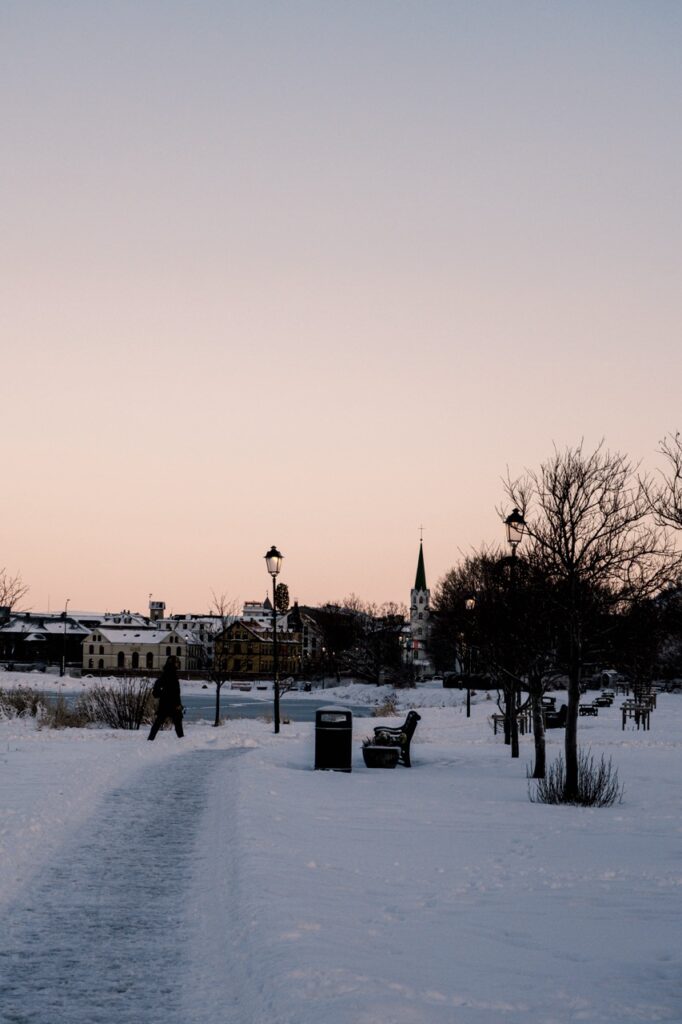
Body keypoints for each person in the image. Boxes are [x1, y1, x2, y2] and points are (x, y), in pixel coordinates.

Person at [148, 655, 184, 740]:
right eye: (176, 662)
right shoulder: (170, 675)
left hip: (165, 704)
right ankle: (182, 740)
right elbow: (175, 693)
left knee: (158, 723)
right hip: (172, 705)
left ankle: (150, 739)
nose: (178, 664)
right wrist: (178, 704)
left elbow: (156, 692)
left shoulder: (165, 675)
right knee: (177, 724)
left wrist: (163, 694)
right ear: (173, 663)